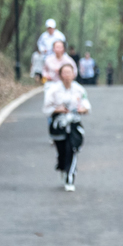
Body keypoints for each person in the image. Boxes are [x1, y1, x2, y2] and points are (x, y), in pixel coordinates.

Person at [45, 61, 90, 191]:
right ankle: (63, 167)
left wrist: (83, 109)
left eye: (69, 72)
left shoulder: (79, 89)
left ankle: (70, 178)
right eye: (64, 73)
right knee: (62, 151)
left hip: (74, 124)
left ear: (74, 74)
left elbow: (86, 105)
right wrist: (58, 109)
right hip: (58, 125)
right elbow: (46, 108)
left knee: (72, 148)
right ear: (60, 75)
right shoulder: (53, 90)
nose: (67, 75)